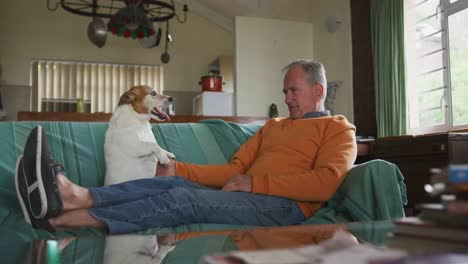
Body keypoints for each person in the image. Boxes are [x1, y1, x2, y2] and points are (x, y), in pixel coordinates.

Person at [15, 60, 357, 234]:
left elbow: (326, 182)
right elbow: (233, 171)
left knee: (184, 200)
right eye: (285, 91)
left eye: (293, 90)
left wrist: (257, 183)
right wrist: (180, 170)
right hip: (248, 196)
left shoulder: (337, 128)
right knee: (172, 184)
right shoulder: (274, 126)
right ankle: (72, 199)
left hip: (288, 209)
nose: (287, 98)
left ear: (318, 91)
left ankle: (63, 218)